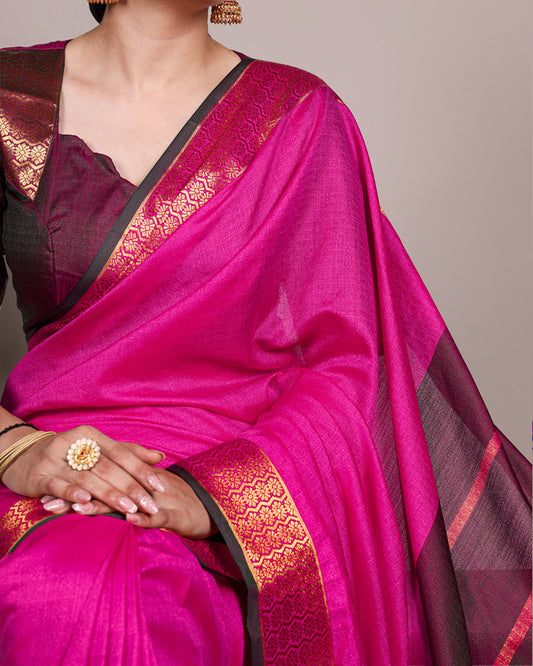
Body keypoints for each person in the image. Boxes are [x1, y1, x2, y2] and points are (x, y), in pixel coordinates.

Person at [0, 1, 530, 664]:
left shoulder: (299, 117)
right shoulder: (11, 101)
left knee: (119, 587)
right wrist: (18, 449)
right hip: (50, 465)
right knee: (65, 583)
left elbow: (348, 370)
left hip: (236, 481)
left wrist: (214, 500)